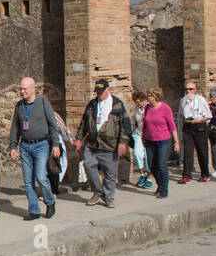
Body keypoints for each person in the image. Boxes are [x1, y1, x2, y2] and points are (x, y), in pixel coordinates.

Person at [8, 77, 61, 220]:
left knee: (41, 177)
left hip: (41, 145)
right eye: (21, 88)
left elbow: (52, 125)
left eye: (24, 89)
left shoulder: (43, 102)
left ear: (33, 89)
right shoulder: (19, 106)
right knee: (27, 181)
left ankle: (50, 201)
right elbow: (15, 127)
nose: (22, 91)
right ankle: (34, 210)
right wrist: (13, 145)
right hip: (25, 146)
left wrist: (55, 144)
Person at [74, 78, 130, 208]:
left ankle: (109, 197)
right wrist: (79, 138)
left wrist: (123, 142)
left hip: (110, 144)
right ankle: (97, 191)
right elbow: (84, 123)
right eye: (97, 92)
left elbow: (125, 125)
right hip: (92, 143)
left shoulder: (117, 104)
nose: (99, 95)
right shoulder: (92, 104)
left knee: (110, 173)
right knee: (88, 165)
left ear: (107, 90)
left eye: (101, 92)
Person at [141, 87, 179, 199]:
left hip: (163, 140)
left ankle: (164, 189)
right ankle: (160, 184)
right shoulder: (147, 108)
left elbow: (172, 125)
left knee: (161, 165)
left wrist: (176, 141)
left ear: (155, 97)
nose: (147, 97)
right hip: (150, 140)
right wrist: (143, 136)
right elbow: (145, 123)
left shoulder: (165, 108)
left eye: (149, 95)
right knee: (152, 165)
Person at [177, 81, 212, 183]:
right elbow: (180, 115)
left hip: (199, 125)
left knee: (202, 151)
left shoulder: (201, 100)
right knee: (187, 151)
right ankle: (186, 175)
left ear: (195, 90)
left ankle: (205, 174)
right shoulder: (182, 101)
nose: (189, 91)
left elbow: (208, 116)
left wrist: (199, 120)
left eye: (191, 89)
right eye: (187, 89)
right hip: (188, 126)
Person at [130, 90, 153, 189]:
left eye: (139, 101)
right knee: (138, 154)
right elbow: (135, 121)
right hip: (139, 134)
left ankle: (149, 178)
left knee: (148, 157)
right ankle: (142, 175)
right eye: (136, 101)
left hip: (149, 134)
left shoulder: (149, 108)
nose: (138, 103)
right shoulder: (136, 109)